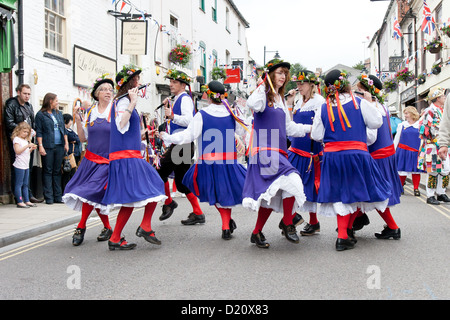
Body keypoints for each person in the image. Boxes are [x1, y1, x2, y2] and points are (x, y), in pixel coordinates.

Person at [310, 69, 391, 251]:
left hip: (333, 157)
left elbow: (316, 135)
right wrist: (369, 103)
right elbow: (376, 122)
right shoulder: (359, 102)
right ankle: (343, 235)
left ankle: (343, 236)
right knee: (357, 192)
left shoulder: (323, 107)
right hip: (357, 155)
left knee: (340, 194)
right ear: (345, 83)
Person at [159, 81, 248, 240]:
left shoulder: (203, 114)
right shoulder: (231, 113)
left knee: (212, 192)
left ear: (208, 95)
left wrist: (167, 137)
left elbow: (188, 136)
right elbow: (242, 130)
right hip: (228, 163)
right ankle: (226, 225)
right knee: (225, 193)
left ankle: (226, 225)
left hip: (208, 164)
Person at [243, 59, 312, 249]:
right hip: (264, 150)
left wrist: (310, 129)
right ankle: (288, 223)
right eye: (280, 72)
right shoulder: (264, 95)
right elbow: (252, 104)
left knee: (271, 195)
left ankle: (256, 233)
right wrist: (263, 85)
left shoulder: (281, 100)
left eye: (285, 74)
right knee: (293, 181)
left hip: (279, 151)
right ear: (271, 74)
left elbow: (289, 128)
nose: (283, 77)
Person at [102, 65, 166, 251]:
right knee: (156, 185)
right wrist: (132, 102)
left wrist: (144, 134)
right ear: (131, 83)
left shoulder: (121, 101)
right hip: (127, 158)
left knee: (131, 200)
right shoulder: (123, 102)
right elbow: (121, 124)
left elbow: (127, 130)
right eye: (136, 79)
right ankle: (145, 226)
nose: (139, 82)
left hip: (128, 156)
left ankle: (115, 238)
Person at [63, 75, 115, 246]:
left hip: (107, 162)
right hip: (90, 161)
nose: (109, 92)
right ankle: (108, 227)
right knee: (94, 195)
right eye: (105, 89)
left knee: (89, 192)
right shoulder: (91, 112)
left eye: (110, 89)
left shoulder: (116, 111)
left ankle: (81, 226)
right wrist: (78, 120)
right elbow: (82, 138)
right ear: (97, 93)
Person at [354, 74, 401, 240]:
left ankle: (392, 227)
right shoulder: (382, 106)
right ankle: (356, 220)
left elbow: (371, 138)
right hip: (386, 156)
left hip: (377, 157)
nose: (357, 93)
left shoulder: (370, 107)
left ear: (367, 91)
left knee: (372, 192)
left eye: (359, 90)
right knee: (368, 191)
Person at [157, 69, 204, 225]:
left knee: (161, 172)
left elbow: (189, 121)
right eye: (170, 82)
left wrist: (172, 116)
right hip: (179, 144)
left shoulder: (185, 99)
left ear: (183, 85)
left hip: (182, 145)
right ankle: (197, 212)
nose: (171, 84)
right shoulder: (177, 98)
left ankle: (169, 202)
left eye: (174, 82)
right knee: (181, 180)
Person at [285, 70, 324, 236]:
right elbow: (290, 124)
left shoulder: (319, 102)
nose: (298, 86)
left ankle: (305, 221)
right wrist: (289, 102)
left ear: (311, 84)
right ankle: (292, 218)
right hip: (295, 149)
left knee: (308, 188)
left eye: (302, 83)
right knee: (289, 185)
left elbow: (321, 127)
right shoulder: (299, 99)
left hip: (310, 151)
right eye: (297, 83)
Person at [4, 84, 42, 203]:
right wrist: (24, 131)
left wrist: (32, 130)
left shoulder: (28, 106)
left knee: (28, 168)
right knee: (18, 168)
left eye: (29, 94)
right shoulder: (12, 104)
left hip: (28, 140)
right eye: (25, 93)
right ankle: (18, 197)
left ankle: (28, 195)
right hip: (17, 141)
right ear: (19, 92)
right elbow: (9, 122)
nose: (27, 96)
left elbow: (32, 121)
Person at [417, 87, 450, 205]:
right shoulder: (430, 110)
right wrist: (435, 139)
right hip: (433, 146)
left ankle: (441, 192)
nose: (445, 97)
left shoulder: (441, 109)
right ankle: (430, 195)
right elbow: (424, 128)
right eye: (442, 96)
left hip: (442, 144)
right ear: (437, 98)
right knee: (434, 171)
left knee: (445, 170)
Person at [35, 93, 69, 204]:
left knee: (57, 171)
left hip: (59, 145)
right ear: (50, 101)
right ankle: (49, 197)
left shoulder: (58, 113)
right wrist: (40, 146)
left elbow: (63, 129)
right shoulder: (40, 115)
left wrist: (66, 143)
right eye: (56, 101)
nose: (57, 103)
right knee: (47, 171)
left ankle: (58, 196)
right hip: (48, 146)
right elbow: (39, 131)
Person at [394, 106, 423, 196]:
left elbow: (422, 139)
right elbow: (396, 139)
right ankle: (400, 186)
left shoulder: (420, 125)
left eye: (406, 113)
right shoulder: (402, 125)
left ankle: (416, 188)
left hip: (415, 151)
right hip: (403, 151)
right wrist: (393, 151)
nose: (405, 115)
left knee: (416, 171)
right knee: (402, 170)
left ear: (412, 114)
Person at [10, 122, 37, 208]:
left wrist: (31, 149)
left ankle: (27, 200)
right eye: (24, 132)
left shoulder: (25, 140)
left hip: (26, 164)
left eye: (27, 132)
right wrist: (27, 146)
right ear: (19, 131)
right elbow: (18, 151)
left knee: (26, 184)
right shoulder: (16, 139)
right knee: (19, 183)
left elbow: (25, 153)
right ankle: (19, 200)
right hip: (19, 164)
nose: (25, 134)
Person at [61, 113, 81, 193]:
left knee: (72, 173)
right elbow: (72, 137)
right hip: (67, 155)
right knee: (66, 173)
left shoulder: (70, 130)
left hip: (74, 155)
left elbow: (77, 138)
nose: (71, 123)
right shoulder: (64, 130)